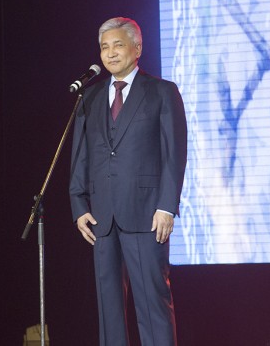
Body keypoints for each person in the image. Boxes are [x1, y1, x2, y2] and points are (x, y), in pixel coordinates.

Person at [69, 17, 188, 345]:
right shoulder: (89, 97)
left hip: (147, 213)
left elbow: (174, 154)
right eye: (104, 47)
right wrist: (79, 205)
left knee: (152, 303)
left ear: (137, 48)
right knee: (108, 308)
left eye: (118, 45)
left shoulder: (161, 92)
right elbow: (81, 155)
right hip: (102, 216)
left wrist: (167, 207)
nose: (110, 53)